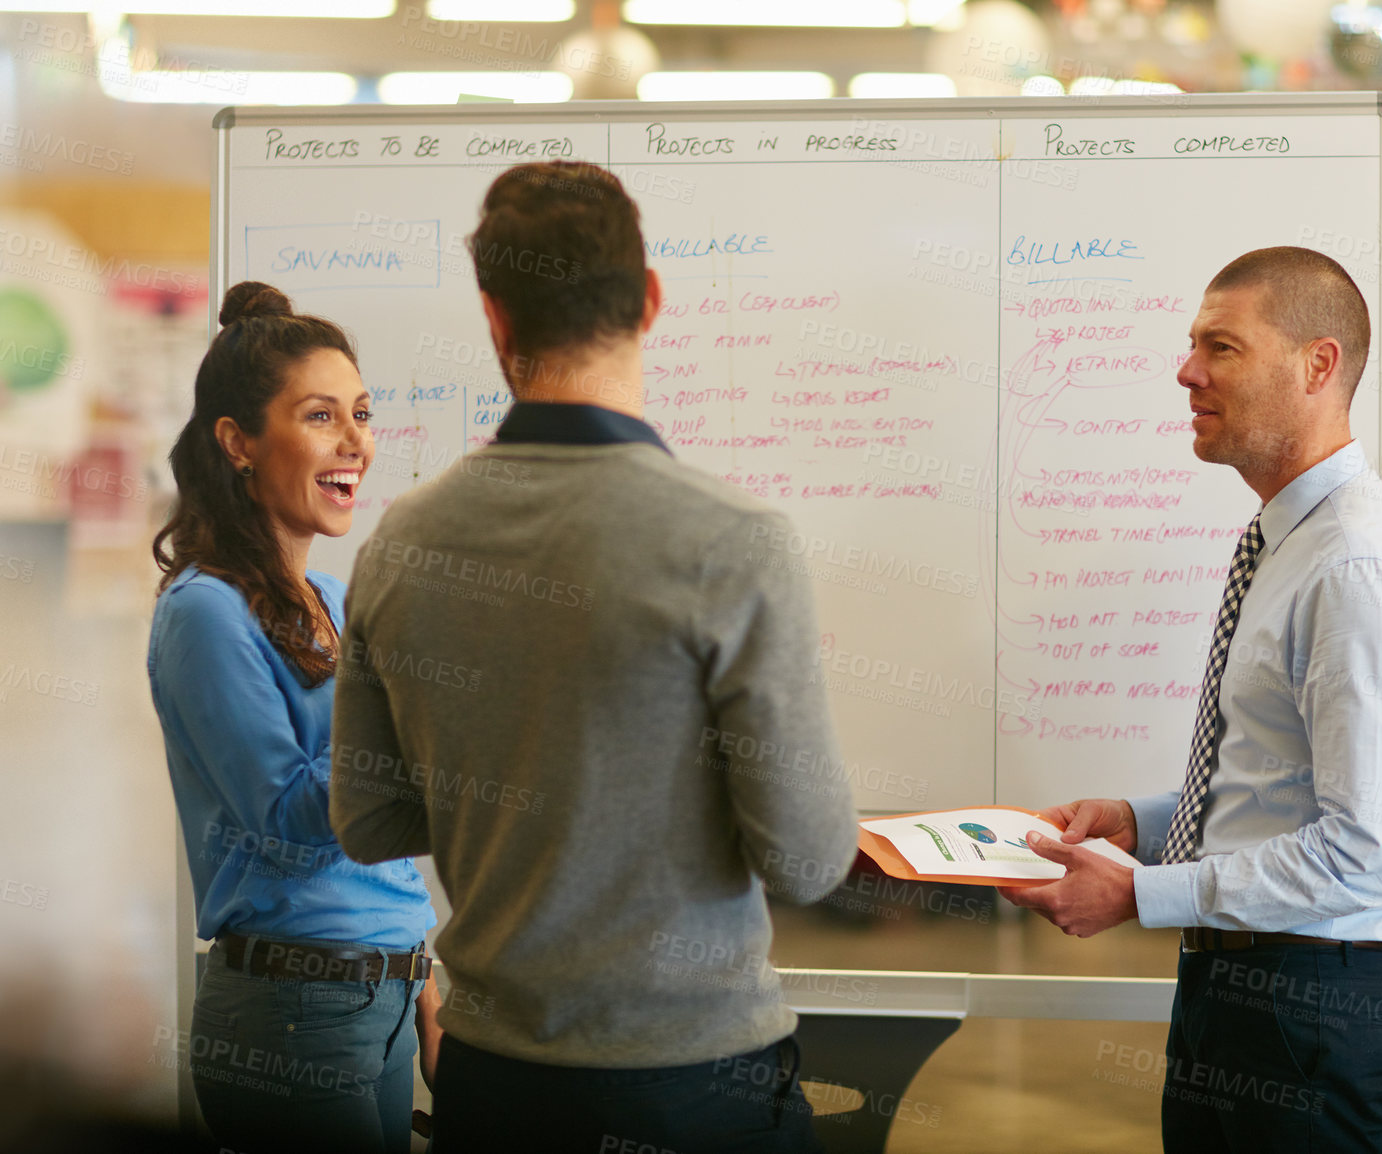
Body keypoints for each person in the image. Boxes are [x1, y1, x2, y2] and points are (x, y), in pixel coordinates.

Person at [328, 161, 858, 1153]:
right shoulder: (731, 540)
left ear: (494, 317)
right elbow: (806, 856)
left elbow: (369, 821)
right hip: (696, 1080)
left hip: (494, 1079)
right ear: (650, 298)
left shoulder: (399, 542)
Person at [1004, 247, 1382, 1153]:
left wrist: (1146, 894)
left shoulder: (1360, 568)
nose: (1187, 372)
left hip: (1306, 1001)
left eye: (1221, 347)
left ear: (1318, 365)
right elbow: (1280, 783)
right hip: (1246, 983)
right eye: (1193, 346)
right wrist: (1138, 822)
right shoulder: (1291, 541)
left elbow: (1361, 857)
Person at [148, 282, 440, 1154]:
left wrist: (428, 994)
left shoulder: (335, 598)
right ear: (236, 443)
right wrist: (420, 725)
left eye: (361, 412)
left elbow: (383, 840)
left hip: (383, 1002)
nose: (357, 443)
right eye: (321, 417)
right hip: (293, 1014)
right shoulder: (205, 610)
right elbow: (287, 823)